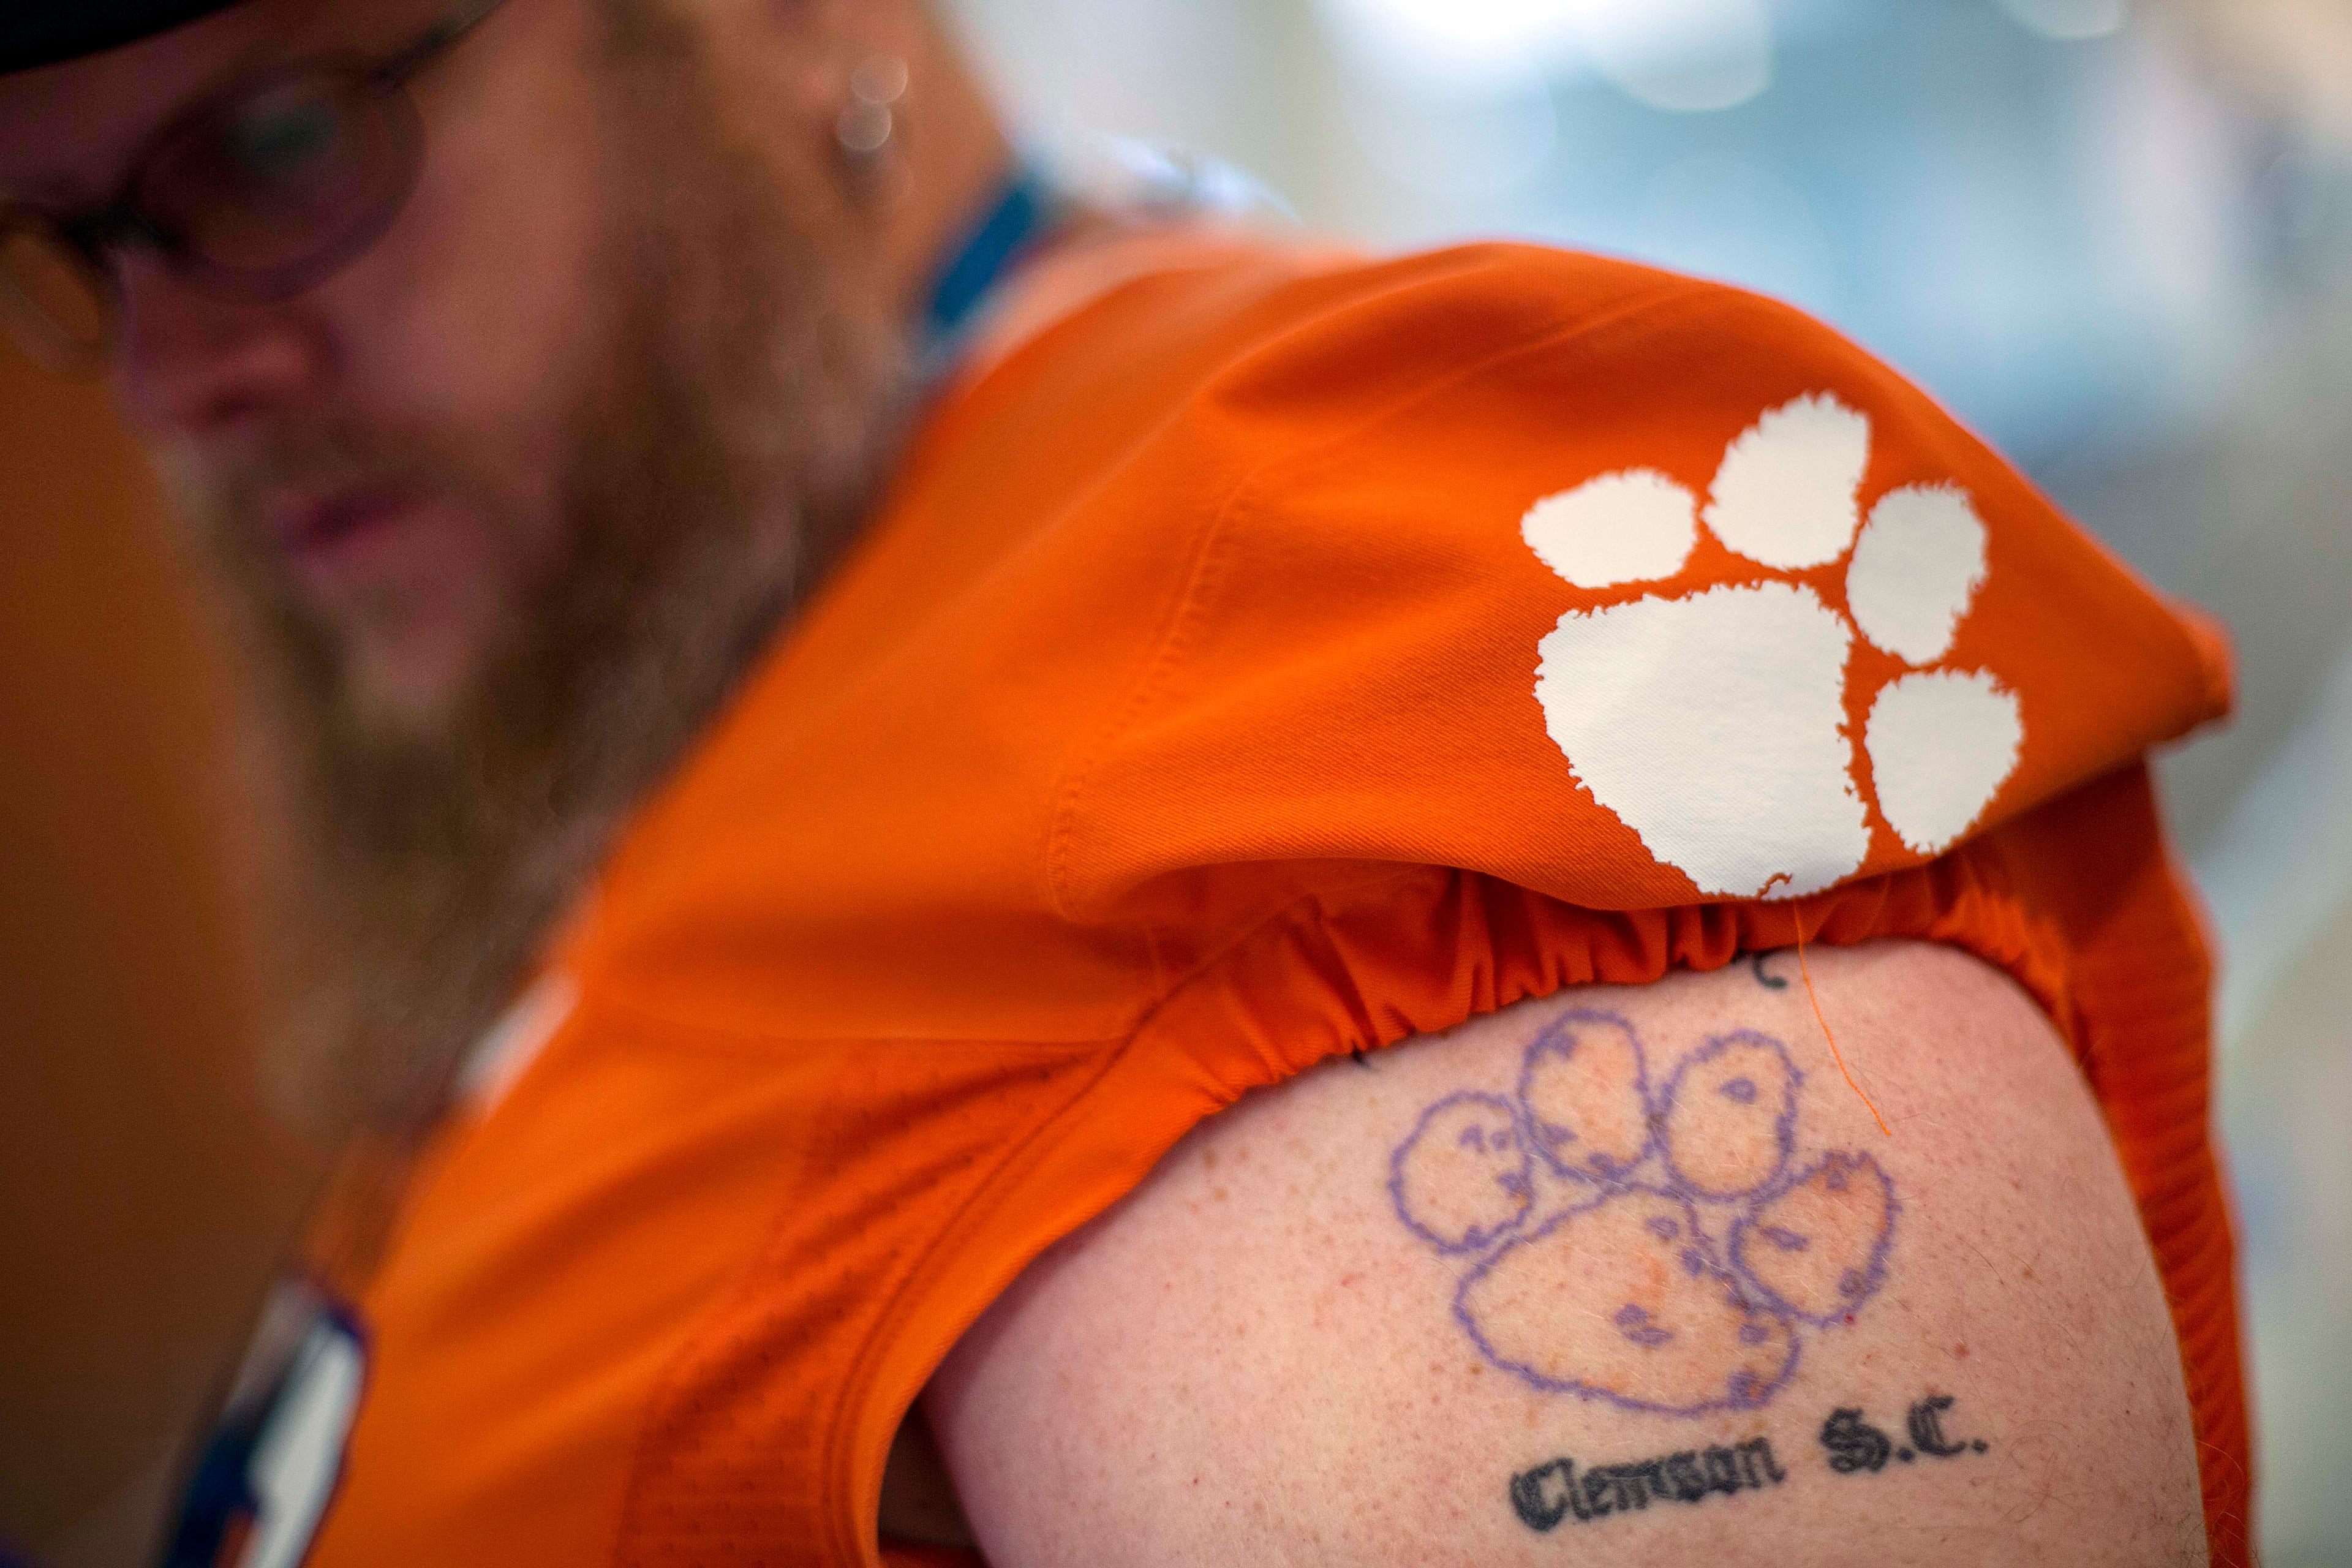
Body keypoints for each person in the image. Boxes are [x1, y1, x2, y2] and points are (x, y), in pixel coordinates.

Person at [0, 1, 2248, 1564]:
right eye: (77, 245)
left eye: (279, 143)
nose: (177, 378)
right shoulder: (726, 640)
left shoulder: (1335, 580)